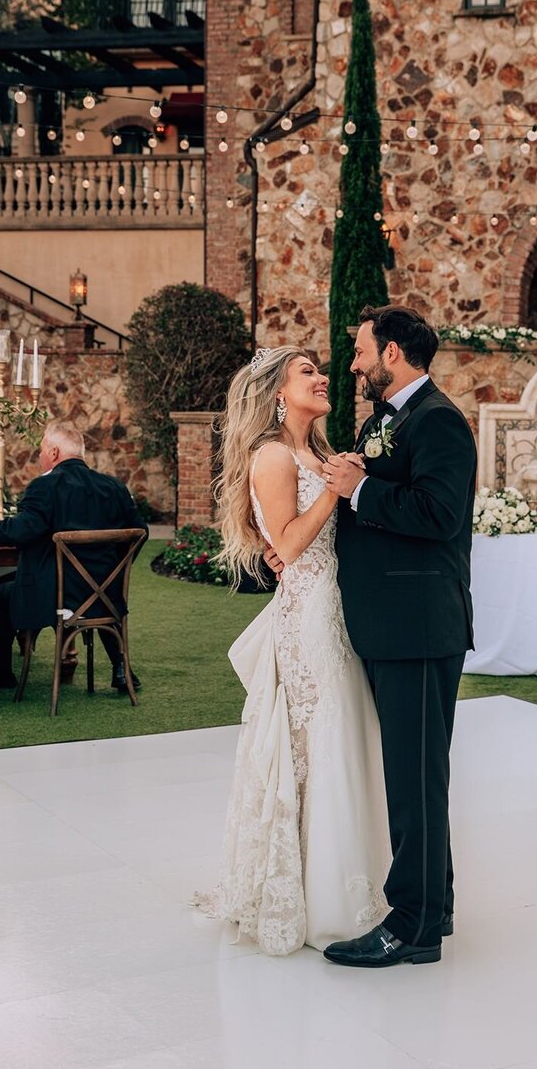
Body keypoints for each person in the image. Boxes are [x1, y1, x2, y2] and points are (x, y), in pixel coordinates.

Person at [192, 347, 390, 956]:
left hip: (340, 608)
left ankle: (352, 880)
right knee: (313, 745)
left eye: (320, 370)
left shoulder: (323, 453)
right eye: (307, 371)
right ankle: (308, 893)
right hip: (307, 618)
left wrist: (338, 482)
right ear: (278, 390)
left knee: (345, 739)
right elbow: (292, 541)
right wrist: (333, 492)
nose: (323, 377)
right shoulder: (274, 456)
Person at [317, 305, 477, 968]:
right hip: (390, 626)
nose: (351, 363)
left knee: (414, 782)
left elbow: (438, 515)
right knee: (413, 779)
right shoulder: (387, 420)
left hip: (417, 626)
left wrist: (359, 490)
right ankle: (430, 912)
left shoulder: (438, 421)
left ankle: (410, 926)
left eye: (359, 351)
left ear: (391, 354)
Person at [0, 419, 148, 693]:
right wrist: (117, 570)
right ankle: (121, 668)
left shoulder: (45, 487)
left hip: (55, 597)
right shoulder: (114, 488)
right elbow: (140, 532)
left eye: (42, 450)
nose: (41, 456)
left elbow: (22, 530)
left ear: (54, 453)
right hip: (105, 595)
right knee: (77, 583)